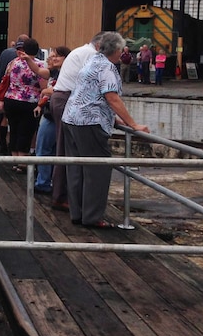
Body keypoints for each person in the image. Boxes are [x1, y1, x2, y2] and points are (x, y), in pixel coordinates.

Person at [62, 31, 150, 228]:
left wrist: (115, 120)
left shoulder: (91, 63)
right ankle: (92, 218)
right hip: (88, 123)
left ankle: (78, 214)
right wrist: (132, 124)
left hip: (71, 119)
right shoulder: (107, 68)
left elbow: (92, 95)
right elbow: (112, 98)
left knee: (76, 169)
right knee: (97, 169)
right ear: (117, 50)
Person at [49, 32, 103, 212]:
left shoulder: (81, 51)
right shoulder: (91, 55)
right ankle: (62, 196)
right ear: (100, 44)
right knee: (66, 149)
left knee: (64, 148)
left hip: (62, 98)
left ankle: (62, 195)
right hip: (67, 99)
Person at [0, 38, 49, 172]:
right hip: (30, 101)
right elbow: (43, 86)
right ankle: (22, 162)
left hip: (11, 98)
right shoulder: (39, 65)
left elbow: (6, 79)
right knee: (26, 132)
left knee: (14, 129)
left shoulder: (13, 63)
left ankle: (14, 160)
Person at [32, 45, 70, 194]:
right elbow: (38, 71)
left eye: (57, 56)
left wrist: (45, 91)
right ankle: (50, 181)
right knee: (53, 149)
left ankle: (43, 182)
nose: (53, 58)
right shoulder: (54, 72)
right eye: (52, 55)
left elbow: (55, 90)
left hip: (54, 116)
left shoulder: (65, 75)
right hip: (52, 113)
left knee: (43, 148)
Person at [0, 35, 28, 155]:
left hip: (1, 89)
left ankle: (1, 143)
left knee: (2, 117)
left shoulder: (5, 52)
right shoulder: (23, 58)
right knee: (17, 123)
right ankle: (16, 149)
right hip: (15, 93)